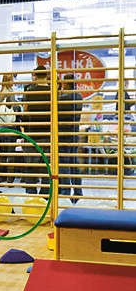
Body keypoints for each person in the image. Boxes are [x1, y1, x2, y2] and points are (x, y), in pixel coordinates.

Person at [21, 65, 51, 195]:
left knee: (30, 168)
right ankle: (45, 195)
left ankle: (31, 195)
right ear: (47, 75)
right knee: (46, 168)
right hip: (48, 134)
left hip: (32, 134)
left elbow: (25, 110)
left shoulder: (30, 91)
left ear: (35, 75)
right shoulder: (52, 91)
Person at [58, 74, 83, 202]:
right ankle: (78, 192)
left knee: (64, 164)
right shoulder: (79, 96)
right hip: (74, 134)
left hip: (63, 135)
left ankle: (65, 193)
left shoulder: (63, 98)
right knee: (74, 163)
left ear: (66, 84)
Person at [0, 73, 21, 186]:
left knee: (2, 153)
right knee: (11, 154)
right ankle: (10, 179)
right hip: (10, 127)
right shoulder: (11, 93)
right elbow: (15, 108)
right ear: (8, 81)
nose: (13, 82)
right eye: (12, 79)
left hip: (1, 127)